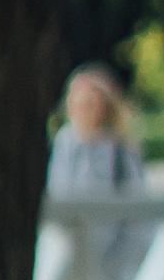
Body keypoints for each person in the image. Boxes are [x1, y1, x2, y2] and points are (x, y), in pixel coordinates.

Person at [47, 61, 145, 197]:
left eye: (89, 104)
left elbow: (135, 191)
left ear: (104, 106)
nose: (83, 110)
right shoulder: (65, 139)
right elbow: (57, 186)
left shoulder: (118, 144)